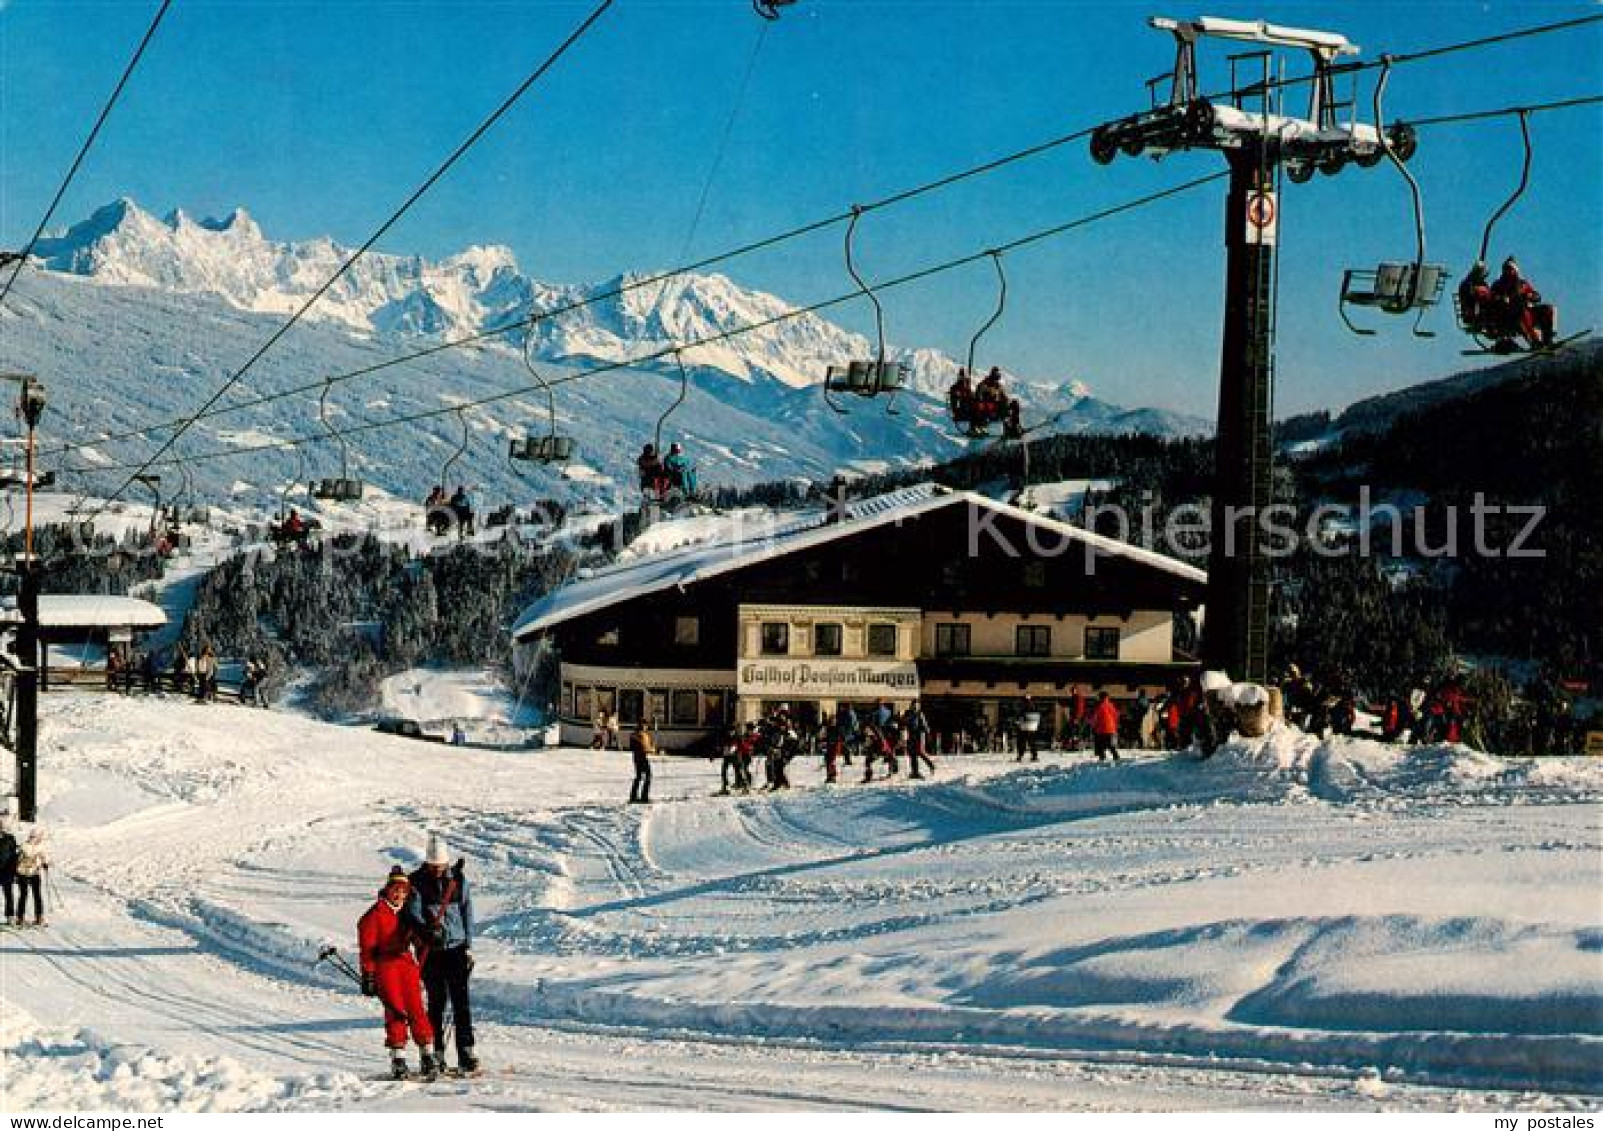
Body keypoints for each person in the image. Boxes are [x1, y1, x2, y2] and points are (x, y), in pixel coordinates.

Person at [358, 865, 438, 1080]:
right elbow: (367, 949)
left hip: (406, 963)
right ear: (387, 889)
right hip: (386, 964)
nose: (399, 894)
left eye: (404, 891)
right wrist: (368, 975)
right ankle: (398, 1058)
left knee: (416, 1008)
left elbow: (416, 937)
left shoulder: (407, 912)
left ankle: (427, 1054)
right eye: (396, 890)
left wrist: (429, 937)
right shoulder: (374, 915)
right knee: (396, 1010)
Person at [406, 836, 477, 1077]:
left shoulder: (458, 880)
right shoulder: (415, 882)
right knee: (436, 1003)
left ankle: (466, 1051)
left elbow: (467, 911)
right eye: (434, 865)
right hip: (431, 952)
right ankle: (436, 1051)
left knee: (461, 1003)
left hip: (456, 948)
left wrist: (469, 945)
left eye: (441, 866)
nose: (438, 869)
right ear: (427, 863)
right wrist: (427, 933)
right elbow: (412, 916)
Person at [1488, 257, 1557, 350]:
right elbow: (1492, 298)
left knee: (1547, 309)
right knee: (1522, 312)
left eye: (1510, 269)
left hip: (1526, 311)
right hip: (1509, 317)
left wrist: (1531, 296)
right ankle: (1534, 341)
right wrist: (1502, 299)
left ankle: (1547, 340)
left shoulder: (1522, 284)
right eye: (1506, 269)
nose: (1508, 271)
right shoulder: (1498, 285)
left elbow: (1536, 295)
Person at [15, 827, 49, 927]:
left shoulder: (40, 847)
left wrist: (45, 863)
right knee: (24, 895)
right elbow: (18, 858)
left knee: (37, 895)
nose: (39, 839)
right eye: (38, 837)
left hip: (35, 873)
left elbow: (44, 856)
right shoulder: (24, 846)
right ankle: (20, 918)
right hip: (23, 873)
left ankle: (39, 917)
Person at [904, 702, 935, 779]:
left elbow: (925, 725)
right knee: (912, 754)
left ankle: (931, 765)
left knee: (920, 752)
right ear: (911, 706)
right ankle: (915, 772)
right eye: (913, 705)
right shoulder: (908, 713)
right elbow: (904, 722)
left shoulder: (919, 714)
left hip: (919, 735)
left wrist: (927, 734)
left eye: (916, 706)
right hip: (911, 735)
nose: (914, 707)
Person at [1091, 691, 1121, 763]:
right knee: (1111, 746)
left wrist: (1093, 725)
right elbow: (1116, 715)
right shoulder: (1111, 705)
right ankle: (1116, 757)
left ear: (1100, 697)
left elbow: (1095, 718)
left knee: (1100, 745)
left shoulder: (1099, 706)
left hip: (1102, 730)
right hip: (1112, 729)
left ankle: (1102, 758)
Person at [628, 721, 655, 804]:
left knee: (641, 776)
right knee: (646, 776)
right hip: (640, 757)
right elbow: (640, 746)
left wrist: (652, 749)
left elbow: (648, 746)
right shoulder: (637, 735)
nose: (646, 727)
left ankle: (635, 796)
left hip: (642, 756)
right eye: (644, 726)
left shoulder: (644, 735)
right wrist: (650, 749)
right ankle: (642, 796)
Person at [0, 816, 18, 926]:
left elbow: (14, 856)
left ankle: (10, 916)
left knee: (8, 894)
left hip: (7, 871)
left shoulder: (10, 838)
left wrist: (14, 871)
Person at [1014, 695, 1042, 763]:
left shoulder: (1023, 708)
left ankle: (1020, 756)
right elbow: (1038, 717)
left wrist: (1018, 722)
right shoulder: (1035, 707)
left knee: (1022, 742)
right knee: (1032, 743)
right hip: (1032, 728)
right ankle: (1034, 756)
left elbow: (1020, 717)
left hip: (1024, 727)